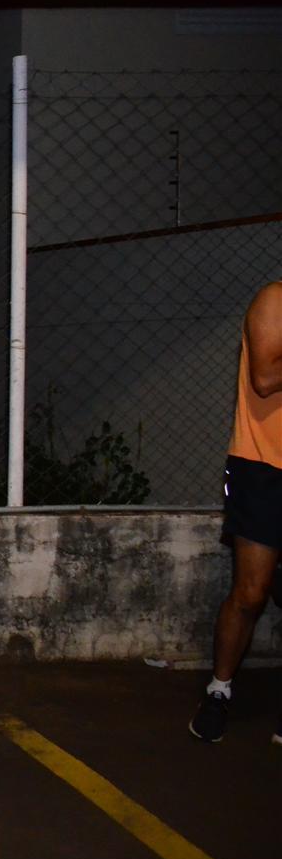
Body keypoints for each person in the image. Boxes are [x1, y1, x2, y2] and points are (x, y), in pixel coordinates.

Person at [189, 283, 282, 744]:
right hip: (264, 465)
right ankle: (219, 690)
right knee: (250, 592)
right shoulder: (275, 300)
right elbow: (264, 378)